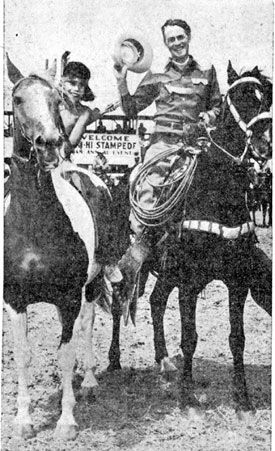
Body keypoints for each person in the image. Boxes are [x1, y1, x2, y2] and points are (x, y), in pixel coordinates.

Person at [113, 19, 222, 305]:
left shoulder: (207, 72)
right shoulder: (155, 76)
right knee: (148, 189)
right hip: (163, 145)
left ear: (189, 36)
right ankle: (140, 250)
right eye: (171, 39)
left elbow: (217, 106)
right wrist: (121, 80)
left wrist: (206, 118)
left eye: (180, 37)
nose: (176, 43)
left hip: (197, 143)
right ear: (165, 44)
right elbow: (131, 110)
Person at [60, 61, 122, 283]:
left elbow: (69, 146)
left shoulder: (83, 113)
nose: (76, 89)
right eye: (71, 83)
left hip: (62, 162)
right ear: (62, 82)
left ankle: (108, 260)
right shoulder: (49, 102)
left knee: (96, 194)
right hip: (37, 160)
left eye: (81, 85)